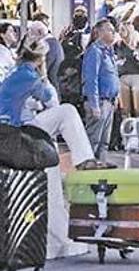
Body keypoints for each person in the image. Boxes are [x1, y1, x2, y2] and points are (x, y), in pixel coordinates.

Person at [0, 36, 113, 170]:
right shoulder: (30, 76)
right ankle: (85, 159)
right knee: (67, 111)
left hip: (10, 128)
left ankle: (55, 189)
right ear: (42, 58)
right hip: (15, 132)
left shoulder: (15, 72)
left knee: (50, 141)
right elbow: (52, 101)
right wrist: (44, 75)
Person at [82, 19, 121, 159]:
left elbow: (113, 75)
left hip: (109, 101)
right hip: (100, 101)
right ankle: (86, 168)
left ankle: (100, 170)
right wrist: (94, 104)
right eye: (110, 30)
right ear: (100, 32)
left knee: (104, 142)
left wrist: (116, 96)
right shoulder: (95, 51)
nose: (113, 32)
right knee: (94, 139)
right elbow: (91, 78)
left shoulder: (109, 52)